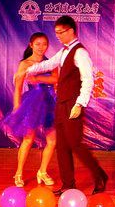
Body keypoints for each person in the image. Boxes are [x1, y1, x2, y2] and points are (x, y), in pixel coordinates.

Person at [21, 15, 108, 196]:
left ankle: (100, 175)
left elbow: (88, 79)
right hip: (61, 104)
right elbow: (48, 64)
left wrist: (80, 103)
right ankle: (68, 184)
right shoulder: (63, 52)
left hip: (73, 104)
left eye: (61, 32)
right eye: (56, 33)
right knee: (61, 146)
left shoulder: (80, 53)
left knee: (75, 143)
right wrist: (28, 70)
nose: (58, 36)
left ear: (71, 31)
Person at [0, 32, 57, 188]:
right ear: (31, 45)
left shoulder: (50, 62)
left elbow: (55, 79)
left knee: (52, 141)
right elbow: (18, 88)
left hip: (49, 102)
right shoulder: (25, 64)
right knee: (28, 139)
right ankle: (18, 173)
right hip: (33, 103)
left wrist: (38, 78)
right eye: (37, 44)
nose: (41, 47)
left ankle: (42, 171)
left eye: (44, 44)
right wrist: (17, 107)